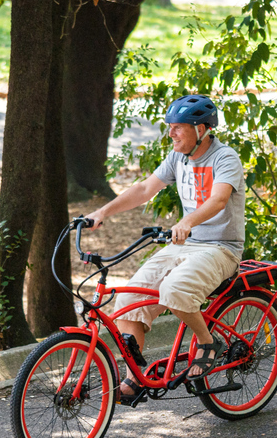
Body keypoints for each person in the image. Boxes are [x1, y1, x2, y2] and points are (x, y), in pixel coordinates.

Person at [84, 94, 244, 404]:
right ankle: (136, 377)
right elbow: (144, 189)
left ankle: (207, 342)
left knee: (175, 289)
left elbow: (218, 200)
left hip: (221, 248)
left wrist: (186, 222)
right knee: (130, 296)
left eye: (178, 128)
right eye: (169, 127)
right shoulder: (178, 157)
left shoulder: (225, 158)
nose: (170, 133)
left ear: (202, 130)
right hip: (185, 244)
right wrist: (102, 213)